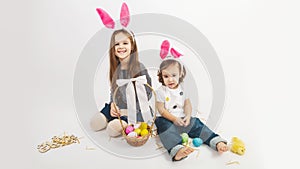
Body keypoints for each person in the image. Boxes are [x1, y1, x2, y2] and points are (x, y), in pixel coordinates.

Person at [155, 57, 228, 161]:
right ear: (161, 76)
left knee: (196, 123)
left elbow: (187, 104)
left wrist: (188, 116)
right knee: (164, 127)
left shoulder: (183, 89)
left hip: (182, 119)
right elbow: (161, 110)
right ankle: (177, 149)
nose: (170, 79)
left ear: (180, 74)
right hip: (166, 119)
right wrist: (173, 119)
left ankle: (215, 141)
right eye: (166, 76)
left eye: (174, 75)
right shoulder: (161, 91)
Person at [90, 28, 152, 137]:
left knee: (113, 129)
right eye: (117, 44)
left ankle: (122, 122)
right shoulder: (115, 68)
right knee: (95, 123)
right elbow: (113, 90)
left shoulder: (139, 67)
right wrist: (113, 103)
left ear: (132, 46)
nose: (121, 47)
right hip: (119, 105)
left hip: (134, 109)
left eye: (125, 43)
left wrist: (132, 108)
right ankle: (111, 117)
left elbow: (148, 92)